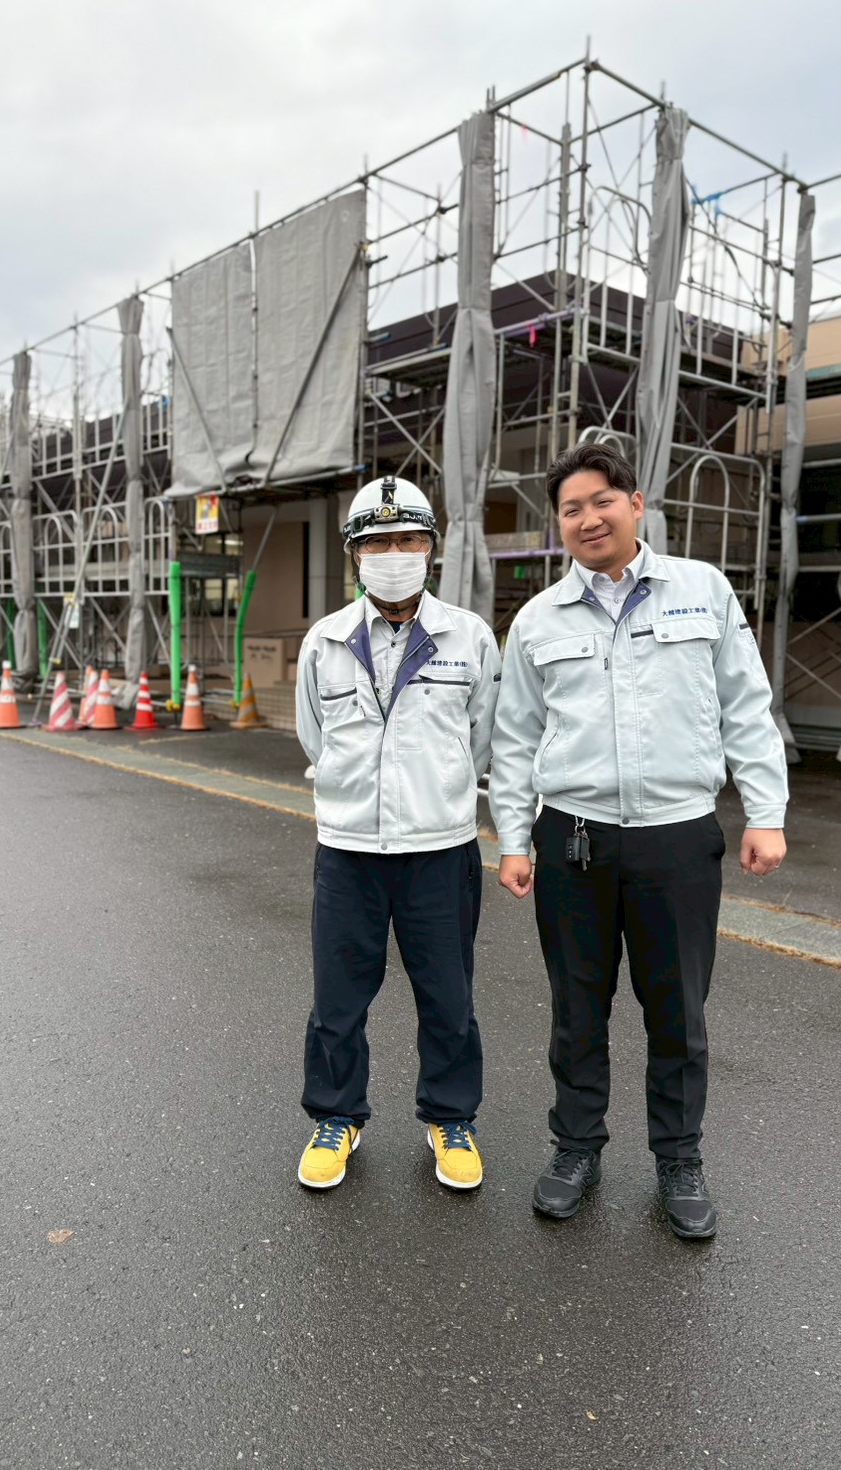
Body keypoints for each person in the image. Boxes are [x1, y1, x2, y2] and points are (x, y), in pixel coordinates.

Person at [488, 442, 788, 1239]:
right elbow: (514, 738)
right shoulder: (539, 620)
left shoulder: (703, 590)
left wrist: (766, 811)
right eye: (571, 509)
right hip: (574, 838)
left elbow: (746, 706)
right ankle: (576, 1148)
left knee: (678, 1011)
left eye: (601, 501)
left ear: (635, 503)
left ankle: (679, 1158)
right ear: (558, 525)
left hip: (677, 838)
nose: (588, 518)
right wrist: (514, 838)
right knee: (576, 1007)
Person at [294, 475, 500, 1192]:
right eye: (377, 543)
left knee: (448, 995)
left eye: (407, 540)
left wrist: (435, 792)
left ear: (430, 548)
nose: (393, 555)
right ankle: (336, 1116)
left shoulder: (468, 637)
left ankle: (450, 1117)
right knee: (338, 999)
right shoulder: (324, 642)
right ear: (354, 553)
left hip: (440, 849)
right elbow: (315, 737)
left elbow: (482, 741)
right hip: (348, 849)